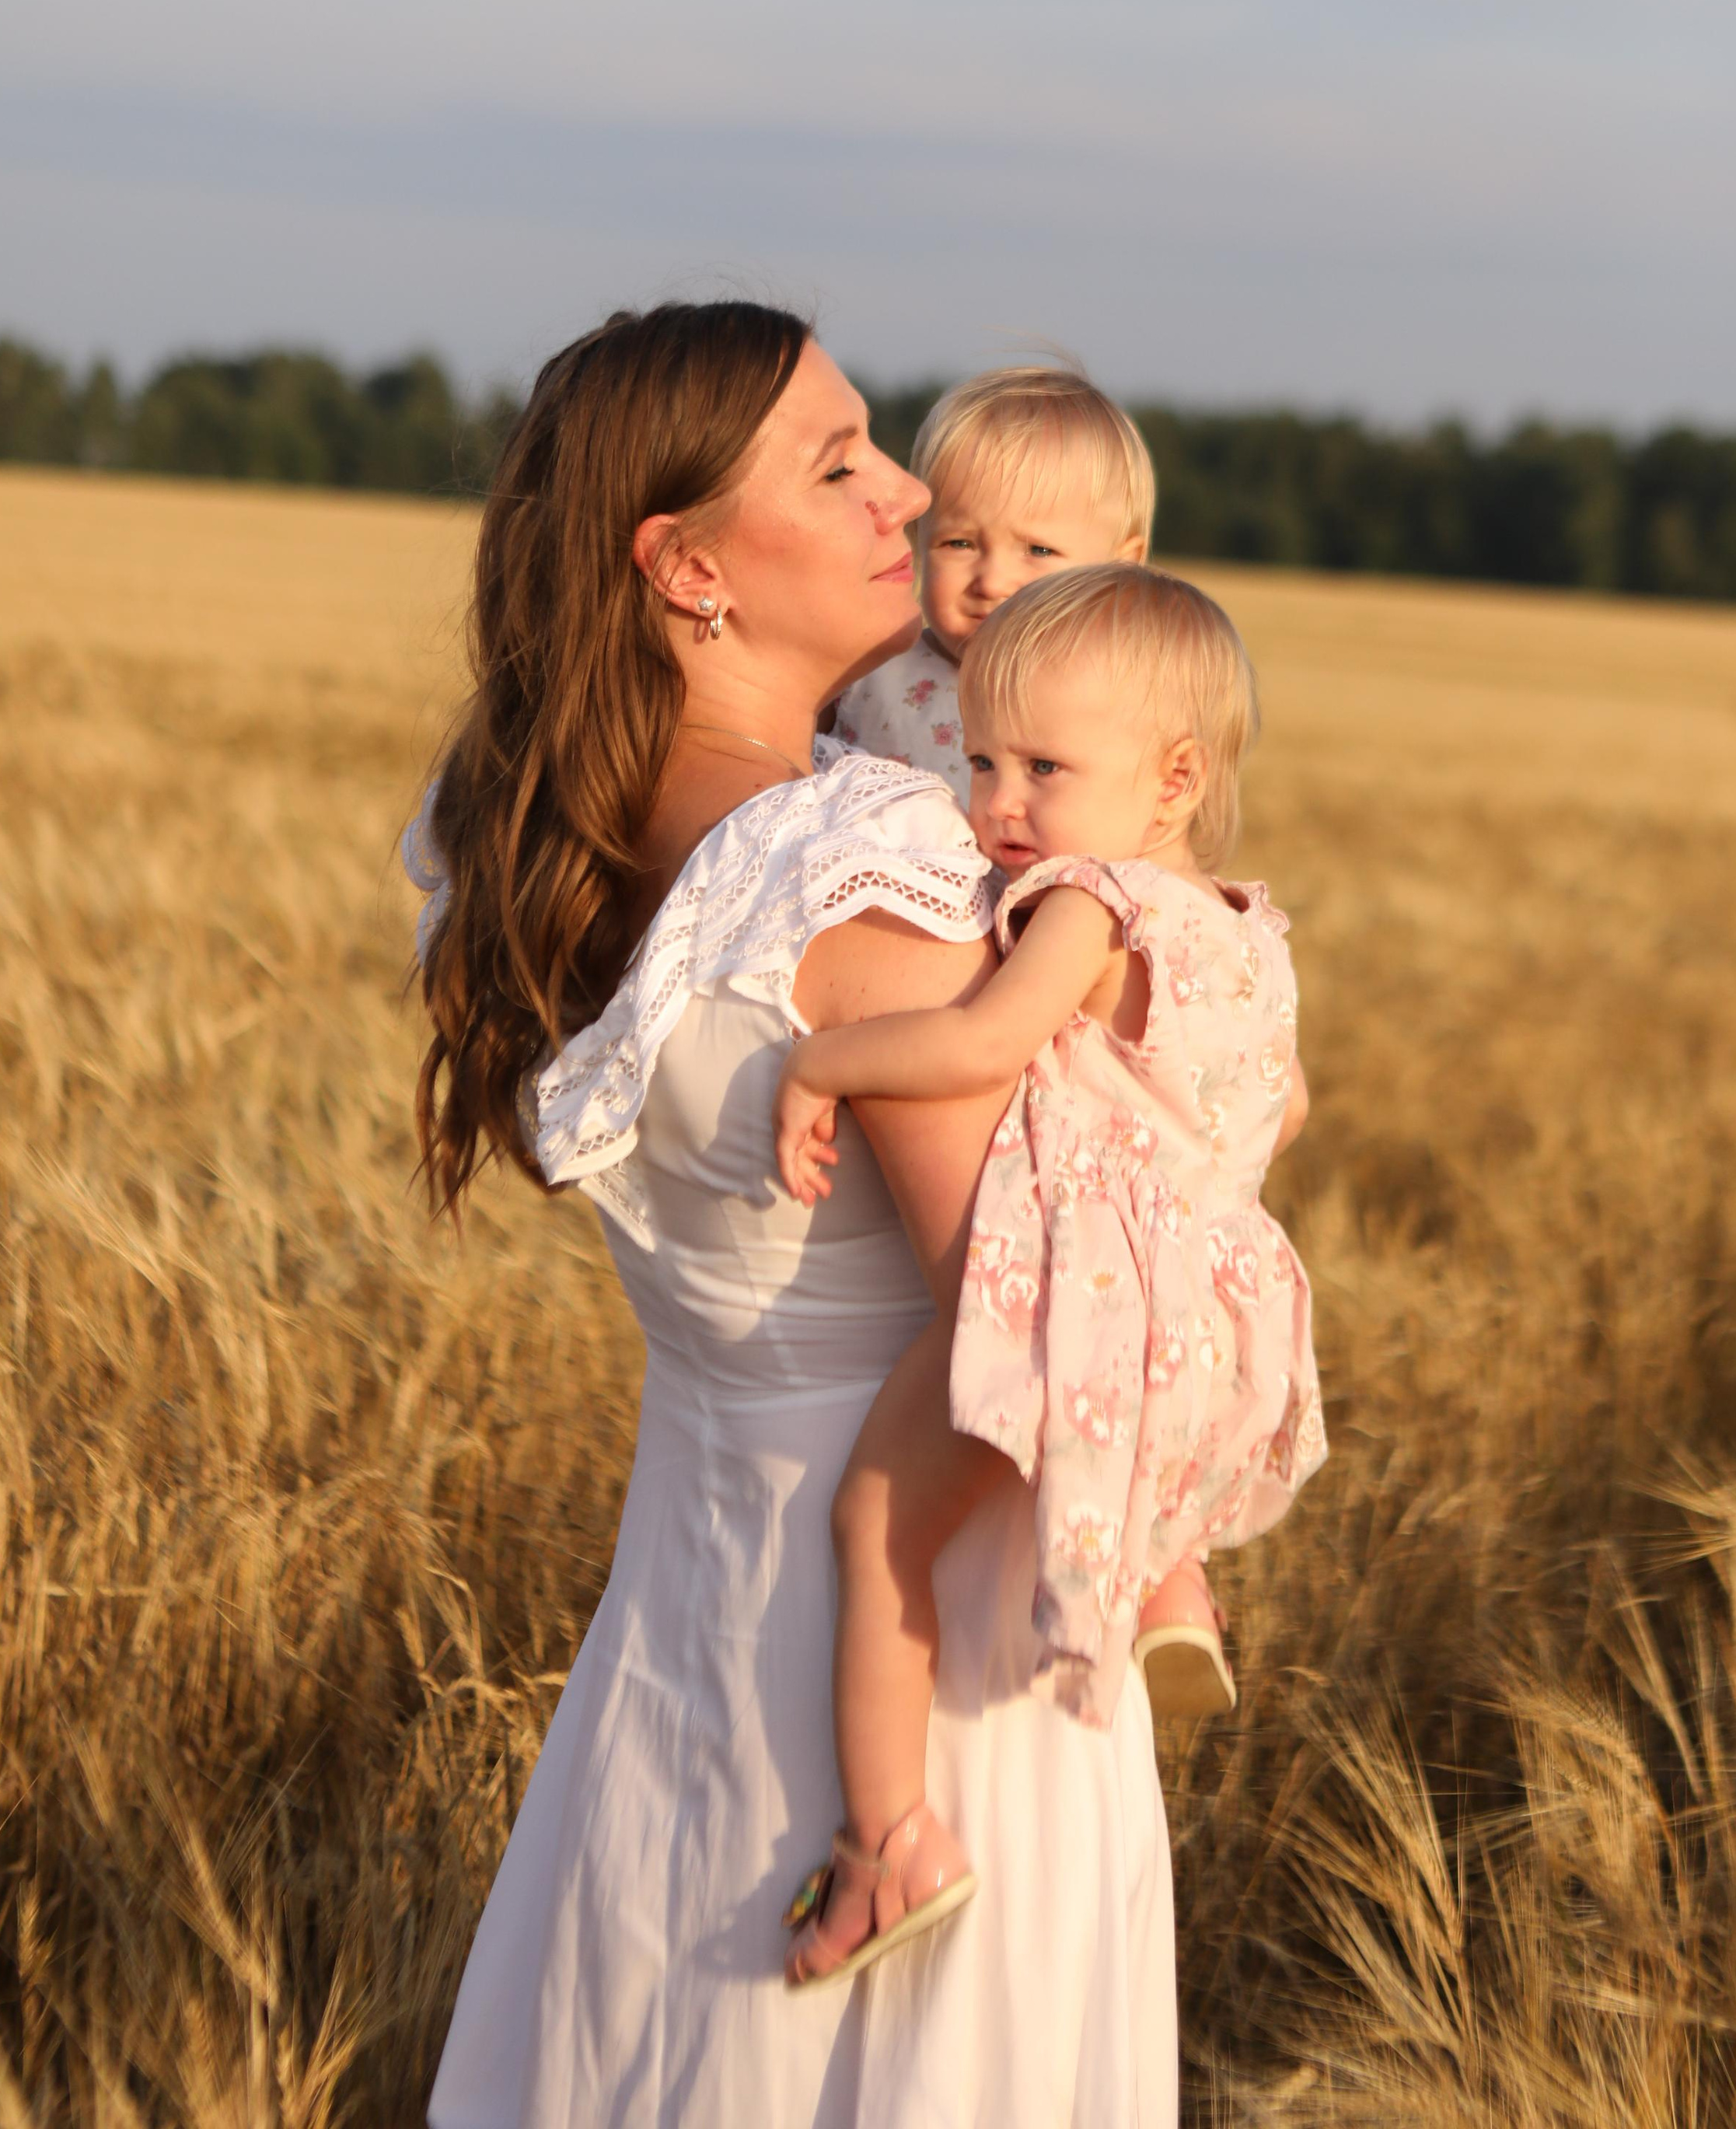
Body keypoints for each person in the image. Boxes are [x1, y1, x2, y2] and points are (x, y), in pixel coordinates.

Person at [413, 304, 1178, 2129]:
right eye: (838, 465)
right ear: (686, 569)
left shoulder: (523, 826)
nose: (905, 493)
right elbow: (1037, 1312)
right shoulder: (864, 863)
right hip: (942, 1657)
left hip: (684, 1616)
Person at [775, 563, 1326, 1986]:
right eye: (980, 762)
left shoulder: (1090, 900)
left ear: (1173, 780)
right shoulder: (1247, 931)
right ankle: (1166, 1584)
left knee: (876, 1523)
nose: (997, 804)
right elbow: (1286, 1112)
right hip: (1223, 1308)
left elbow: (976, 1044)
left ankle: (887, 1849)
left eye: (1044, 770)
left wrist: (823, 1060)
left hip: (1083, 1301)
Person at [832, 364, 1154, 806]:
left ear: (1121, 570)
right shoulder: (866, 673)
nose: (992, 582)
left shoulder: (1122, 706)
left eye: (1038, 550)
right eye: (959, 543)